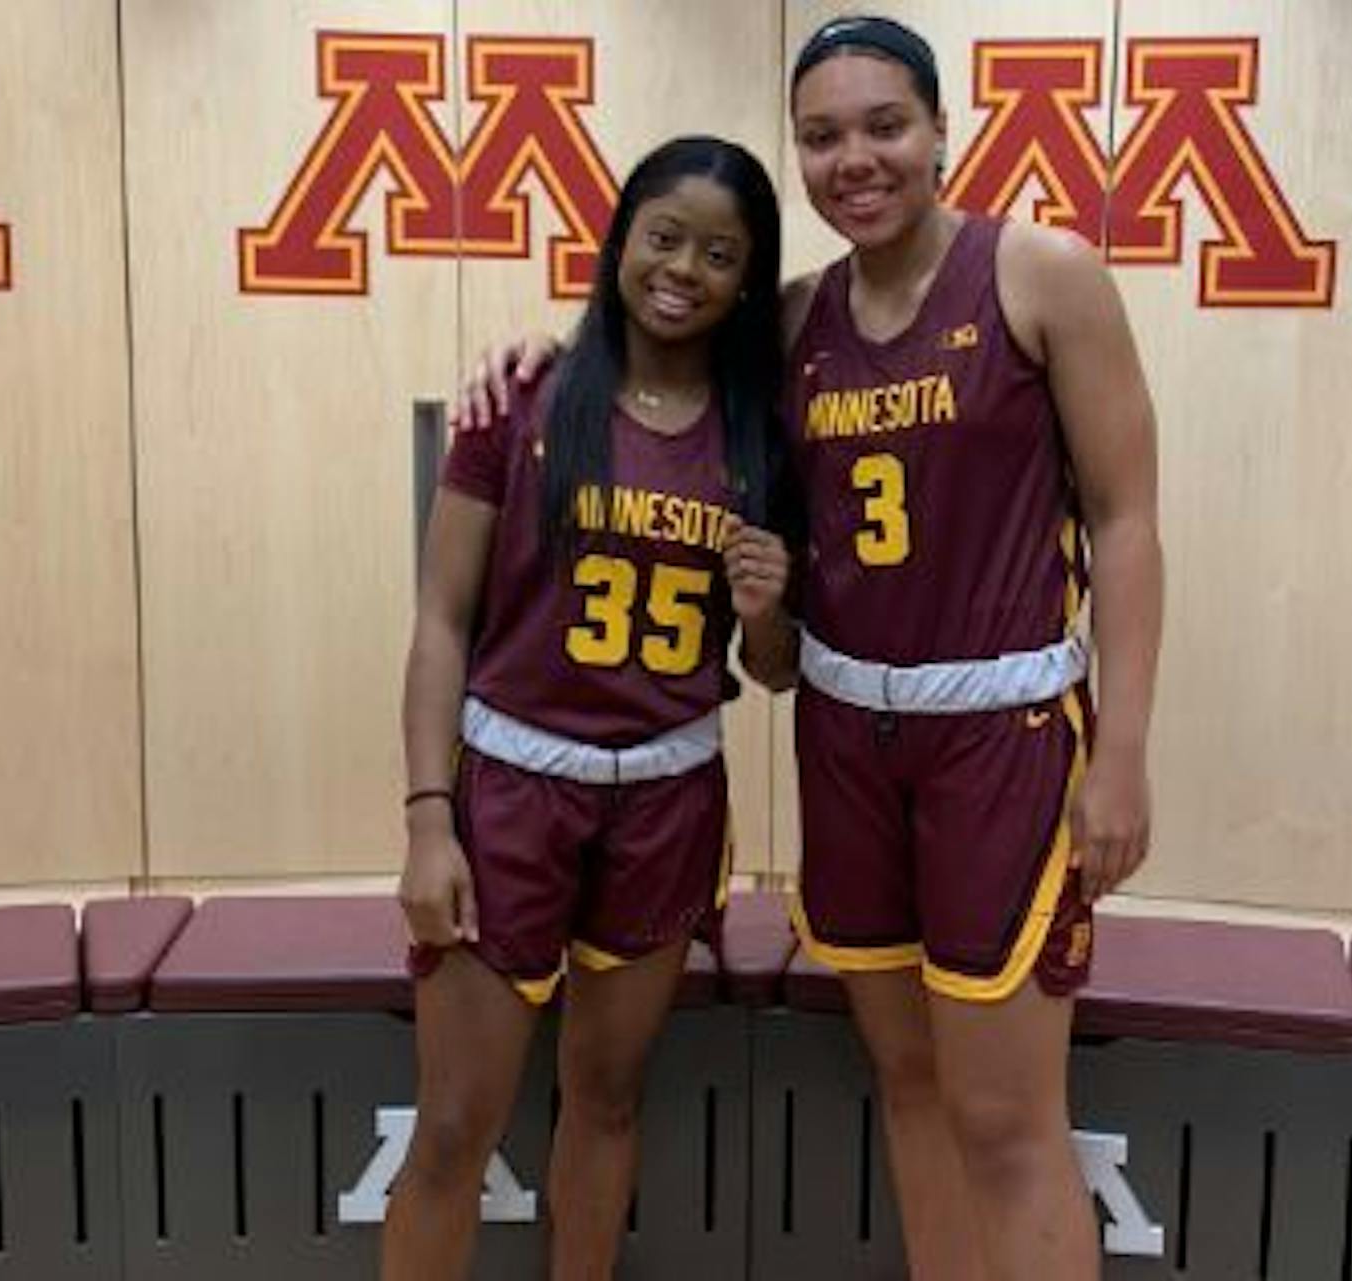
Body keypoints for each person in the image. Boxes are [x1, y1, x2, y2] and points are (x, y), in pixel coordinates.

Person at [455, 17, 1162, 1278]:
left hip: (1000, 739)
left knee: (1006, 1116)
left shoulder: (1042, 275)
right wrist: (532, 361)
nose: (857, 159)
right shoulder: (789, 324)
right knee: (908, 1083)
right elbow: (650, 358)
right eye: (824, 137)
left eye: (885, 125)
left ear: (942, 129)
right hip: (843, 735)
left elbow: (1126, 519)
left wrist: (1125, 758)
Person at [384, 135, 793, 1281]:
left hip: (667, 797)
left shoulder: (760, 433)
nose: (685, 269)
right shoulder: (521, 397)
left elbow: (772, 667)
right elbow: (439, 623)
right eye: (664, 237)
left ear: (748, 277)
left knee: (605, 1102)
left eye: (720, 252)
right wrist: (427, 823)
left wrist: (766, 613)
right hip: (511, 790)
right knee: (457, 1126)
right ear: (620, 240)